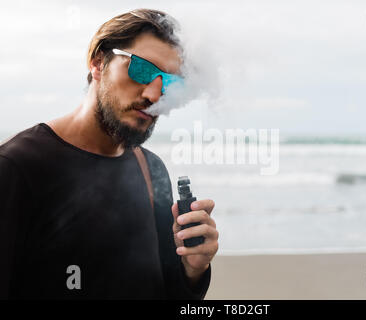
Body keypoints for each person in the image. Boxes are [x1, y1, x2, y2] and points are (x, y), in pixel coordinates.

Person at [0, 8, 219, 299]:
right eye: (142, 70)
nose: (154, 95)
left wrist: (193, 270)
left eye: (170, 83)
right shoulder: (17, 168)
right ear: (98, 63)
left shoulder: (152, 170)